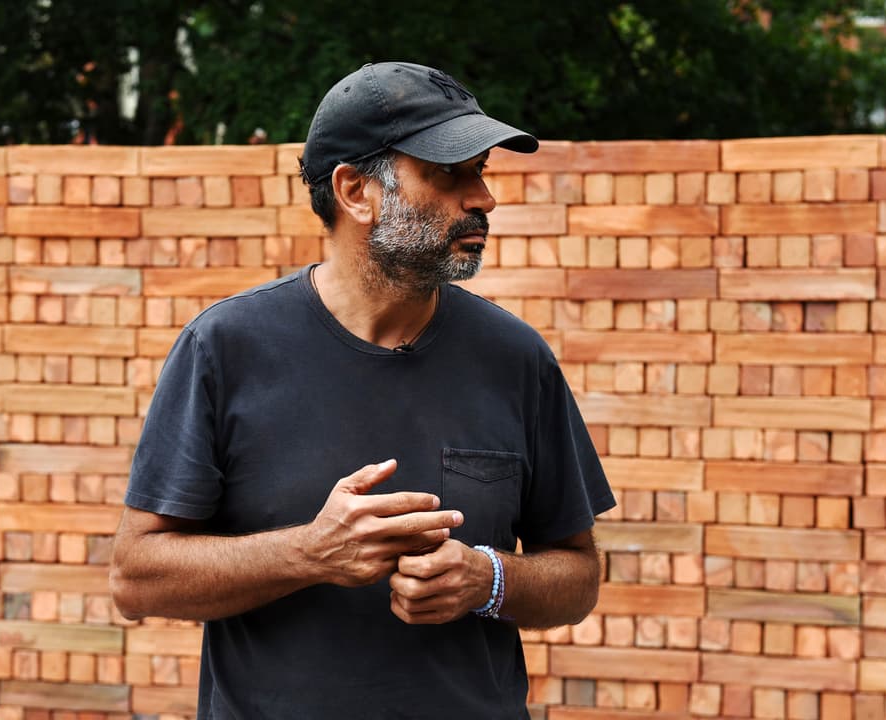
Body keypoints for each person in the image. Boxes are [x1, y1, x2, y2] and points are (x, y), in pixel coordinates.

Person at [110, 61, 616, 719]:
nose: (483, 198)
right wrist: (309, 553)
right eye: (449, 173)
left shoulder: (515, 357)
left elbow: (578, 577)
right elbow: (135, 579)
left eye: (481, 171)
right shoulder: (225, 348)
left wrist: (489, 579)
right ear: (355, 191)